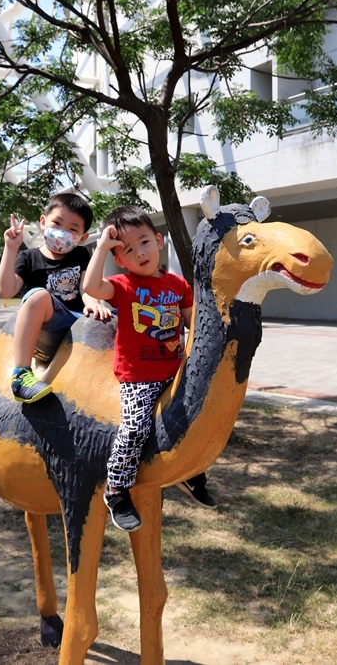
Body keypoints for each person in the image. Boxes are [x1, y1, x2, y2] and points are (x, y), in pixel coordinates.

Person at [83, 205, 215, 531]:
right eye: (127, 250)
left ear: (158, 241)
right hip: (138, 378)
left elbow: (193, 322)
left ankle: (189, 473)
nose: (138, 252)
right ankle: (116, 489)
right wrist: (101, 247)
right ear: (121, 260)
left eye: (143, 242)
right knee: (135, 429)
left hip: (174, 373)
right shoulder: (122, 285)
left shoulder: (178, 285)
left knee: (195, 419)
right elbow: (90, 288)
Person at [0, 193, 111, 403]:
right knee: (38, 296)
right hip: (49, 328)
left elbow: (86, 288)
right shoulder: (28, 257)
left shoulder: (81, 254)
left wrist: (94, 305)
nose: (62, 232)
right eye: (57, 223)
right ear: (43, 222)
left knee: (118, 313)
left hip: (76, 322)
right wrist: (11, 248)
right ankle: (21, 375)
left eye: (73, 229)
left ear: (83, 237)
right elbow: (5, 291)